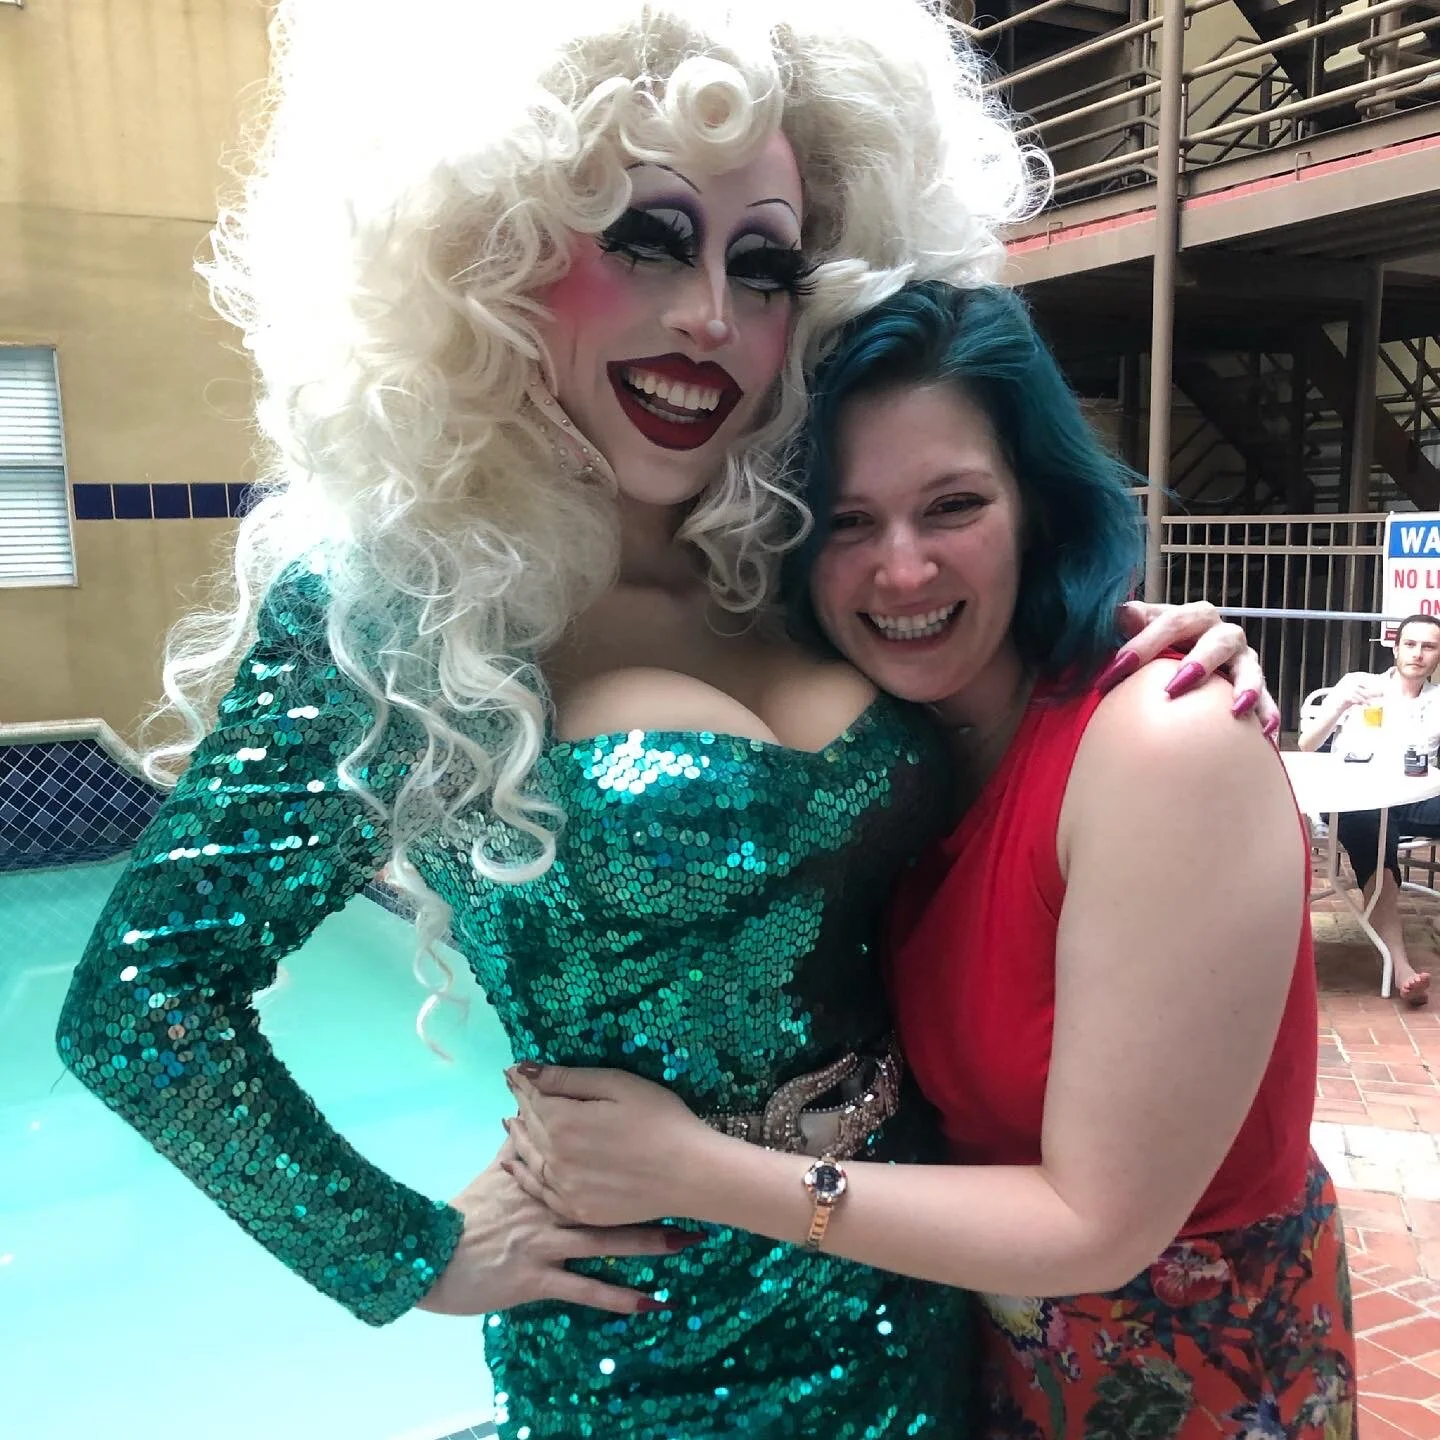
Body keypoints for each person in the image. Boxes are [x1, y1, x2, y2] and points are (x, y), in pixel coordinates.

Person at [55, 5, 1272, 1436]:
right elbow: (139, 1004)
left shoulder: (791, 547)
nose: (710, 313)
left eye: (764, 264)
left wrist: (1127, 641)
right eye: (647, 238)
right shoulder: (398, 612)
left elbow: (992, 724)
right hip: (644, 1354)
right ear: (490, 248)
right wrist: (411, 1254)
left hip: (919, 1293)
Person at [504, 283, 1355, 1440]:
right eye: (850, 522)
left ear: (1037, 507)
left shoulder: (1164, 743)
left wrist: (688, 1170)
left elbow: (1102, 1227)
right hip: (969, 1358)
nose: (901, 571)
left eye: (952, 506)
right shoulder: (904, 760)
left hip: (1188, 1379)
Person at [1298, 612, 1440, 1005]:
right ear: (1395, 648)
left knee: (1383, 837)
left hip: (1412, 797)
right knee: (1378, 851)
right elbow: (1307, 745)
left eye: (1429, 647)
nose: (1418, 654)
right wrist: (1339, 705)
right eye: (1410, 644)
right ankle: (1401, 967)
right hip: (1355, 799)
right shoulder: (1358, 685)